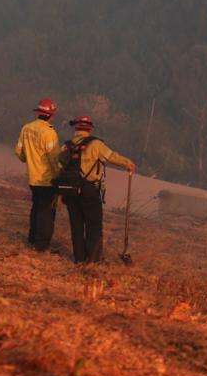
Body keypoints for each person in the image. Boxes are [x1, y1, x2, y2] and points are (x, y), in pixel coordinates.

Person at [57, 114, 135, 265]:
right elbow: (111, 156)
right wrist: (128, 164)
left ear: (76, 128)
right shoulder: (96, 144)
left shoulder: (66, 146)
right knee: (94, 225)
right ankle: (93, 260)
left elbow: (60, 163)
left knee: (76, 225)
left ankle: (79, 259)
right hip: (89, 190)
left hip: (71, 190)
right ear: (90, 128)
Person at [14, 98, 62, 251]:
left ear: (38, 113)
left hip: (33, 178)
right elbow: (54, 158)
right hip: (47, 179)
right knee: (46, 213)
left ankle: (32, 239)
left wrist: (28, 160)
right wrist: (59, 177)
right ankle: (41, 246)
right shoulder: (49, 133)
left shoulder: (26, 128)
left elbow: (19, 152)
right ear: (51, 115)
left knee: (36, 208)